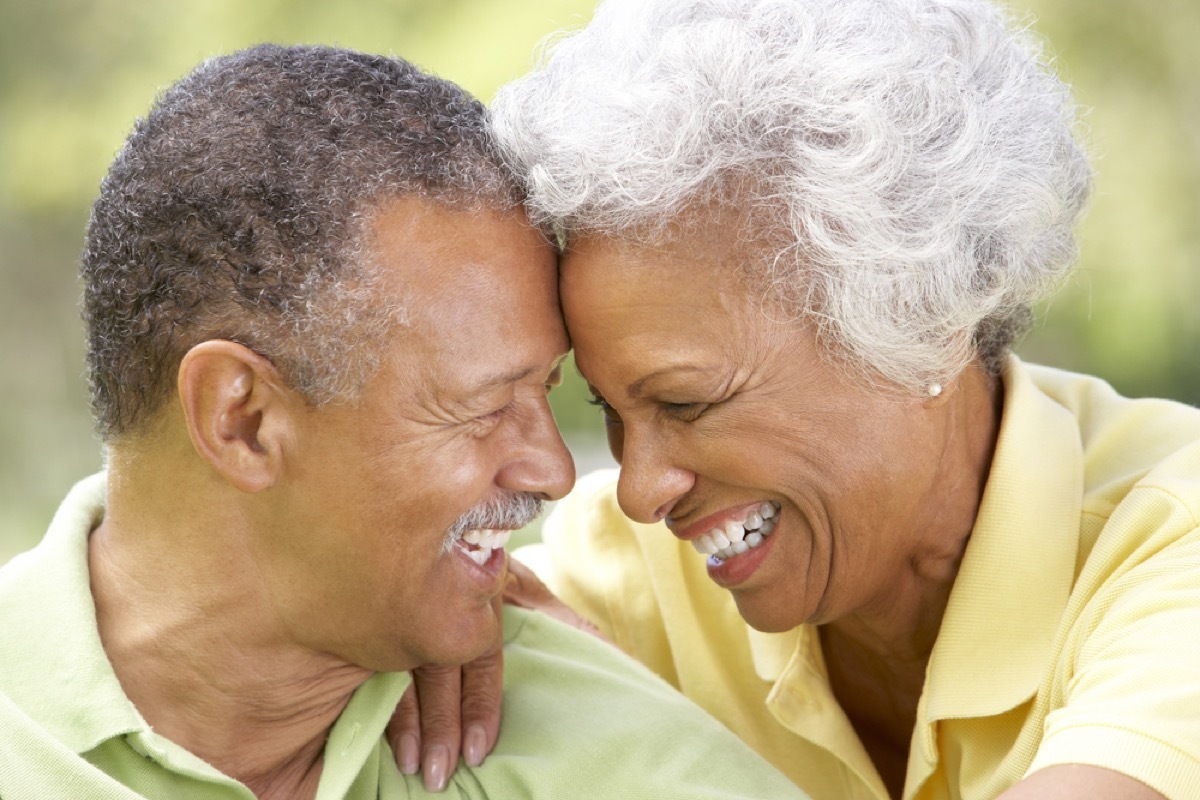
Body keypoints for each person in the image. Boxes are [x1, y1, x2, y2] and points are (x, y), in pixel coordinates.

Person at [0, 44, 813, 800]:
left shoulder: (625, 763)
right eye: (486, 406)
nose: (555, 473)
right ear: (241, 420)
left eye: (551, 391)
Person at [484, 0, 1200, 798]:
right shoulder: (621, 574)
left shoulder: (1174, 531)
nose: (641, 492)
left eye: (685, 404)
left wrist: (649, 751)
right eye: (611, 414)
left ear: (917, 317)